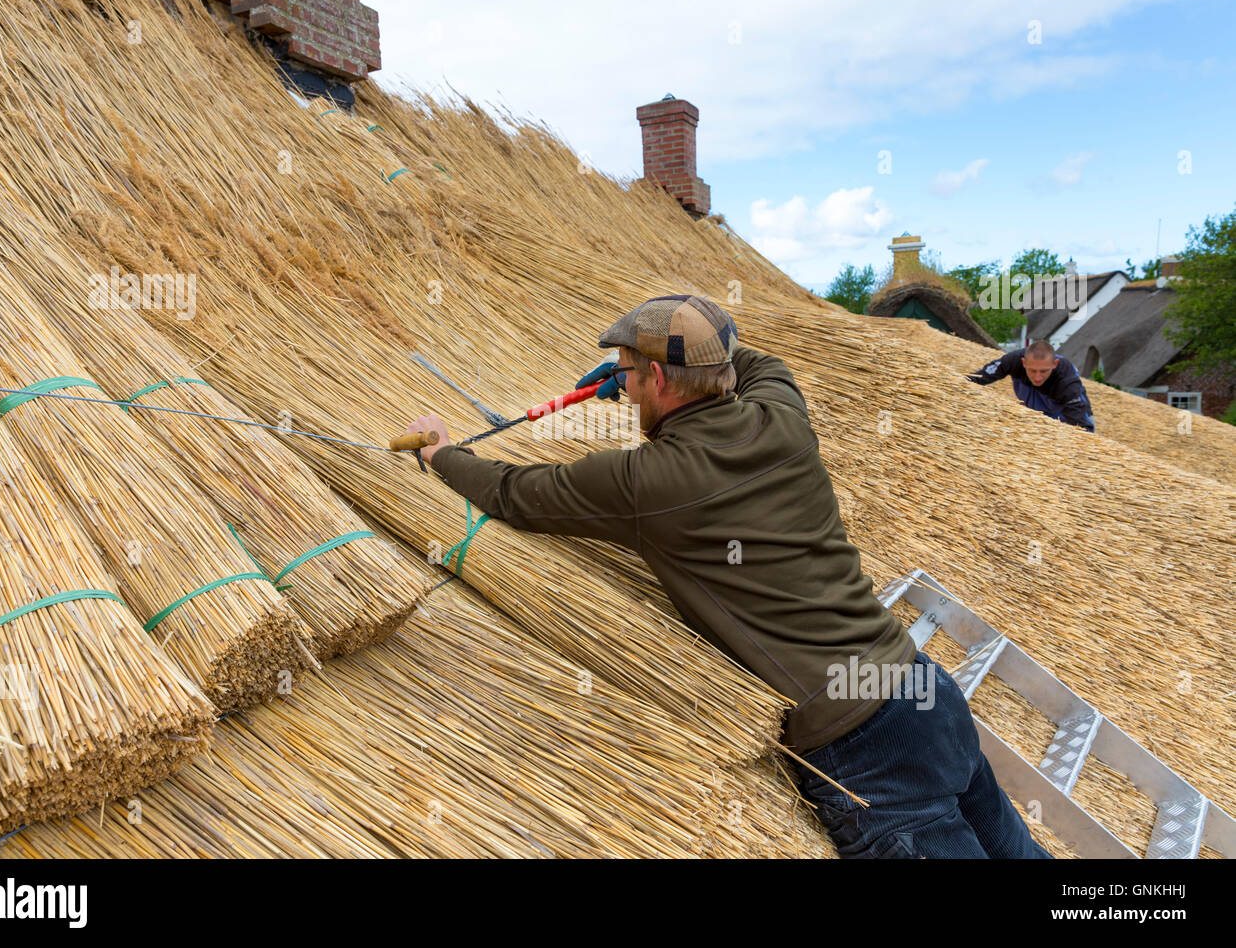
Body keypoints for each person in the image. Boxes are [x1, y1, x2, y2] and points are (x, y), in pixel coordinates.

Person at [406, 294, 1050, 859]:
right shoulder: (781, 417)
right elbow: (762, 364)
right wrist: (693, 363)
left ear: (657, 375)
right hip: (920, 688)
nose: (624, 390)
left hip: (862, 747)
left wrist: (440, 449)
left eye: (630, 376)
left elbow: (513, 493)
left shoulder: (649, 482)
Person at [967, 340, 1095, 432]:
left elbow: (1081, 425)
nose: (1037, 377)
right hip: (1030, 401)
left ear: (1054, 364)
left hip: (1061, 410)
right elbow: (979, 377)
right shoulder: (1013, 360)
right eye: (1032, 370)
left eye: (1044, 371)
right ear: (1023, 362)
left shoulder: (1067, 380)